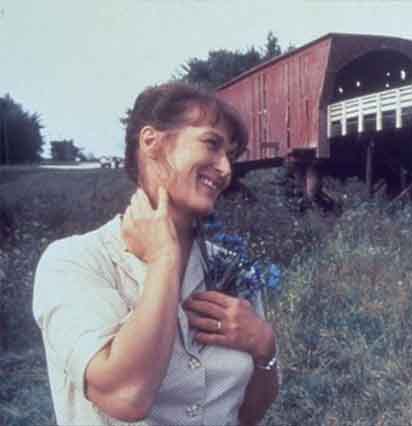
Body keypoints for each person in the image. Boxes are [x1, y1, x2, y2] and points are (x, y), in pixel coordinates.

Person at [32, 82, 280, 425]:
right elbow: (126, 397)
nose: (226, 169)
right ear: (151, 142)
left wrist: (265, 347)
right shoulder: (73, 262)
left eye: (231, 156)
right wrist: (164, 259)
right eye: (211, 144)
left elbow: (248, 416)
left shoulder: (232, 269)